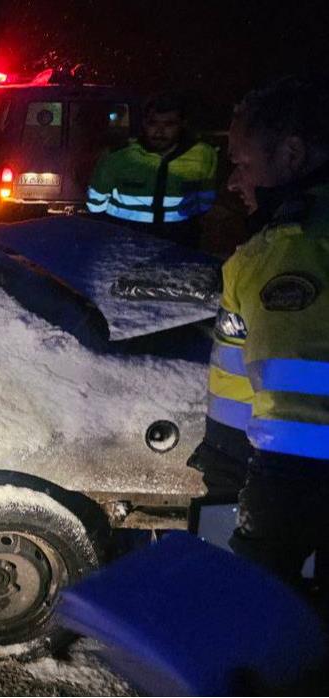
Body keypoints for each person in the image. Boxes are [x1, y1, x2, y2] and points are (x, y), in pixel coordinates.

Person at [209, 75, 329, 586]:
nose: (233, 182)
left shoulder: (283, 252)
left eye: (242, 163)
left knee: (258, 611)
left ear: (292, 154)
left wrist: (232, 467)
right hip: (280, 476)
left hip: (288, 481)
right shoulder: (262, 253)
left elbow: (281, 390)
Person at [86, 91, 219, 247]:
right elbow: (95, 203)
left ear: (182, 124)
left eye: (169, 124)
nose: (159, 131)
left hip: (178, 241)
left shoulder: (203, 155)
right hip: (125, 241)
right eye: (153, 123)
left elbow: (206, 200)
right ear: (144, 123)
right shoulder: (119, 156)